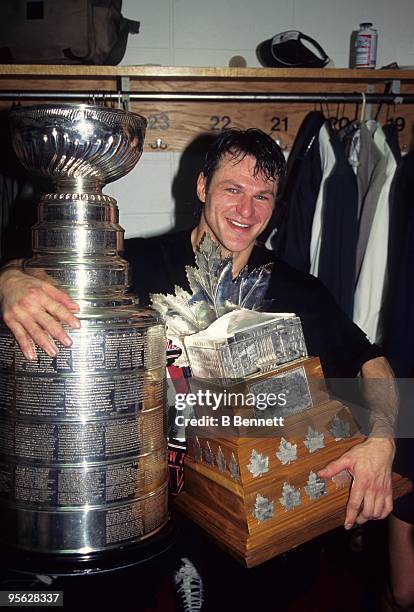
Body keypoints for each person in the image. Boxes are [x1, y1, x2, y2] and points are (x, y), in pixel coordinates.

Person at [0, 128, 397, 532]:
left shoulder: (301, 291)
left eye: (262, 196)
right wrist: (9, 282)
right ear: (203, 186)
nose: (246, 209)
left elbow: (371, 361)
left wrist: (383, 439)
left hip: (256, 515)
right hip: (148, 506)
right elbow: (34, 271)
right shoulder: (134, 264)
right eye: (233, 189)